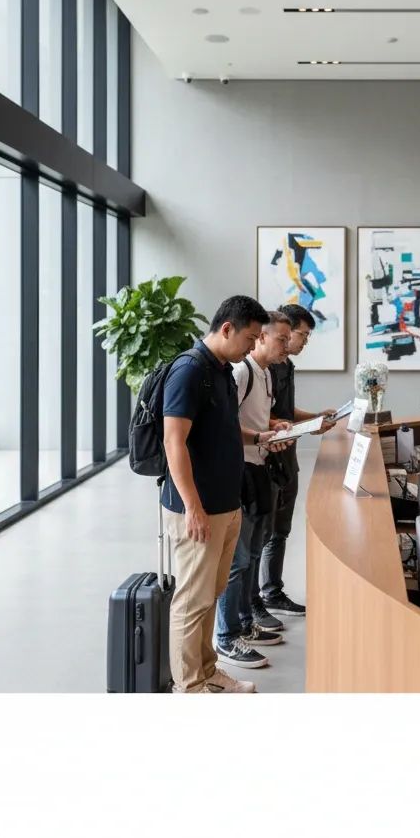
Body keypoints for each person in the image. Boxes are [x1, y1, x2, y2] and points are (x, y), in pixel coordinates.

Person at [161, 295, 287, 694]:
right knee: (192, 600)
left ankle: (208, 671)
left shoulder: (221, 370)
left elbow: (226, 429)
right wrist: (193, 507)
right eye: (250, 337)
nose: (253, 346)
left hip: (226, 504)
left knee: (211, 595)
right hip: (198, 509)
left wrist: (260, 437)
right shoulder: (188, 370)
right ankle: (189, 685)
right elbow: (173, 442)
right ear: (227, 329)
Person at [213, 310, 296, 670]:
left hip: (260, 467)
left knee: (251, 554)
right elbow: (227, 425)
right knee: (238, 559)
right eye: (281, 339)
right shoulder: (242, 371)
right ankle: (227, 636)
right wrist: (262, 435)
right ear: (260, 337)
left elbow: (252, 419)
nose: (287, 345)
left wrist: (273, 425)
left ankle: (245, 623)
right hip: (243, 472)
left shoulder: (265, 374)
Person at [255, 303, 337, 626]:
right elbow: (264, 419)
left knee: (281, 529)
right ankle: (257, 602)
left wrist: (315, 418)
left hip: (288, 457)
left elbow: (285, 412)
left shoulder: (286, 366)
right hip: (269, 457)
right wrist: (288, 425)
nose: (302, 341)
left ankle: (272, 592)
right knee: (262, 533)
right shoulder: (263, 368)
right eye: (300, 335)